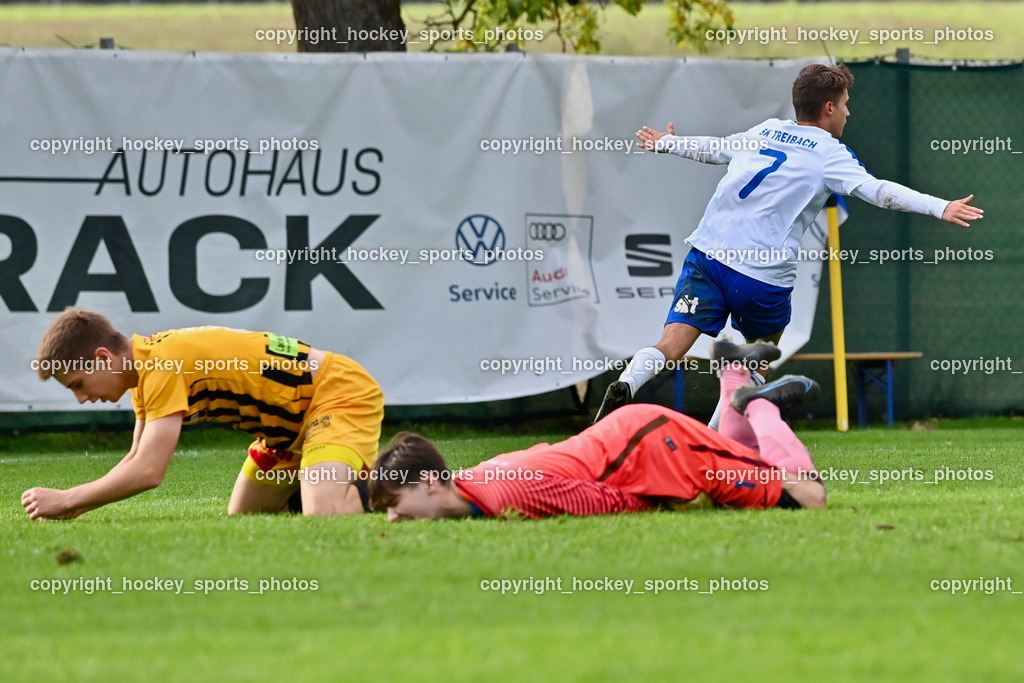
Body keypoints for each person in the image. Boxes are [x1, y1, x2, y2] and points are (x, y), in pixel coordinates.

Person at [594, 63, 984, 421]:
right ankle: (714, 442)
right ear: (828, 107)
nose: (849, 113)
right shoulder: (830, 154)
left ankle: (628, 383)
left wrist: (667, 143)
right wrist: (940, 206)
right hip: (760, 275)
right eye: (846, 105)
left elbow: (713, 149)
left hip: (708, 255)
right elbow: (878, 191)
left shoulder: (764, 130)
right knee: (757, 362)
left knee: (670, 344)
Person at [369, 341, 826, 521]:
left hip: (653, 449)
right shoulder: (472, 482)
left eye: (394, 505)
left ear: (430, 483)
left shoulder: (506, 495)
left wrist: (665, 497)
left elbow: (600, 501)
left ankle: (761, 406)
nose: (391, 519)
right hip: (631, 440)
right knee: (729, 455)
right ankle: (733, 375)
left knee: (808, 497)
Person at [21, 308, 383, 520]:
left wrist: (69, 499)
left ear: (103, 358)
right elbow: (133, 459)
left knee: (324, 513)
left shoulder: (161, 366)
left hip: (334, 393)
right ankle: (323, 479)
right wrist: (77, 505)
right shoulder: (144, 370)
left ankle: (412, 482)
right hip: (285, 430)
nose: (82, 399)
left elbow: (148, 472)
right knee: (246, 516)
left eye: (78, 384)